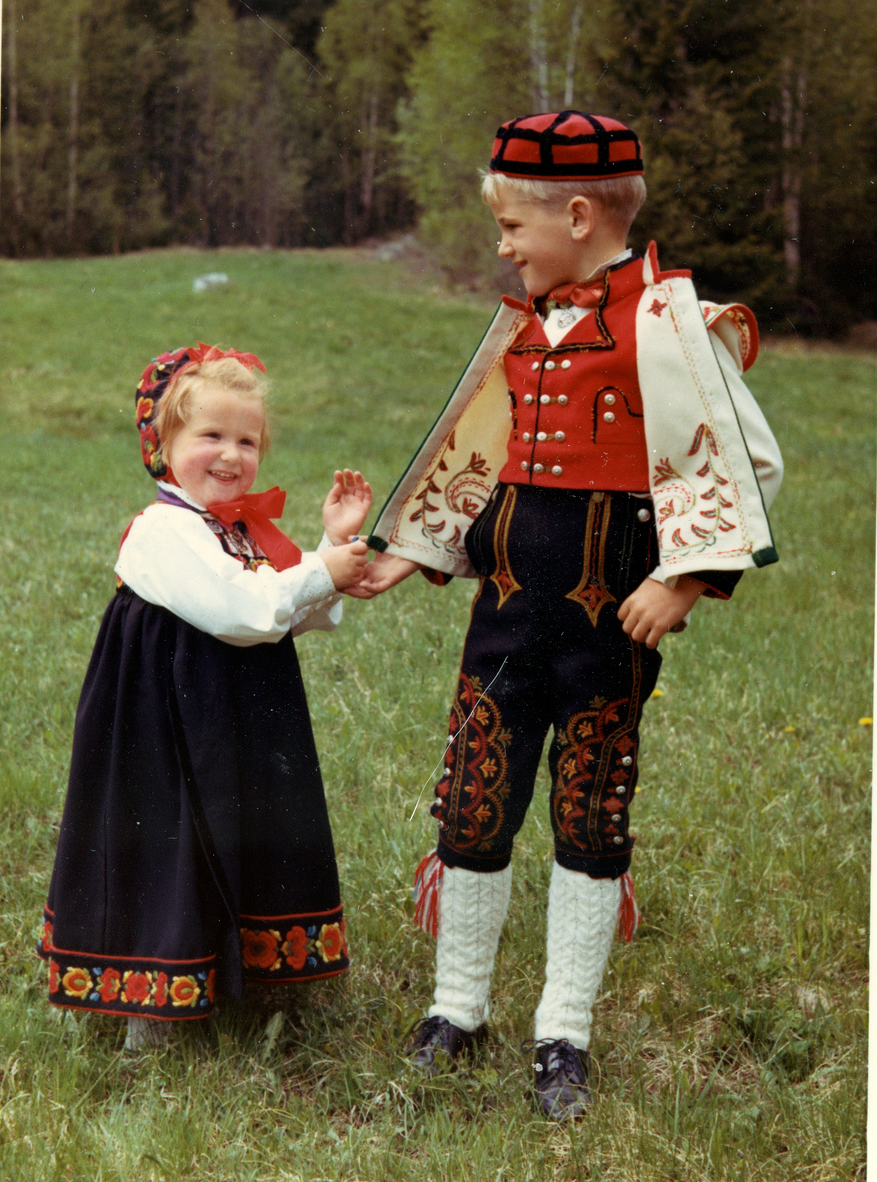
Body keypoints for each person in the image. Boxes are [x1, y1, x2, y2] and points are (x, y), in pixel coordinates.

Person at [355, 112, 783, 1119]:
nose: (502, 246)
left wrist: (681, 580)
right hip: (503, 616)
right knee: (474, 799)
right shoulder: (524, 325)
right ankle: (455, 1011)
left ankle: (564, 1035)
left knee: (590, 813)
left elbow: (747, 459)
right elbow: (479, 458)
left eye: (511, 225)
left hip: (607, 630)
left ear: (579, 215)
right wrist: (406, 554)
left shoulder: (670, 323)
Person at [38, 343, 371, 1050]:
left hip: (233, 719)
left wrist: (328, 549)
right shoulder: (163, 529)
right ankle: (150, 1005)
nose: (230, 455)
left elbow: (290, 612)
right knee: (173, 838)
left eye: (246, 440)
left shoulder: (239, 531)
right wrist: (321, 571)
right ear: (162, 445)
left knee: (242, 824)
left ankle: (240, 975)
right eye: (210, 436)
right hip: (167, 725)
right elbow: (241, 612)